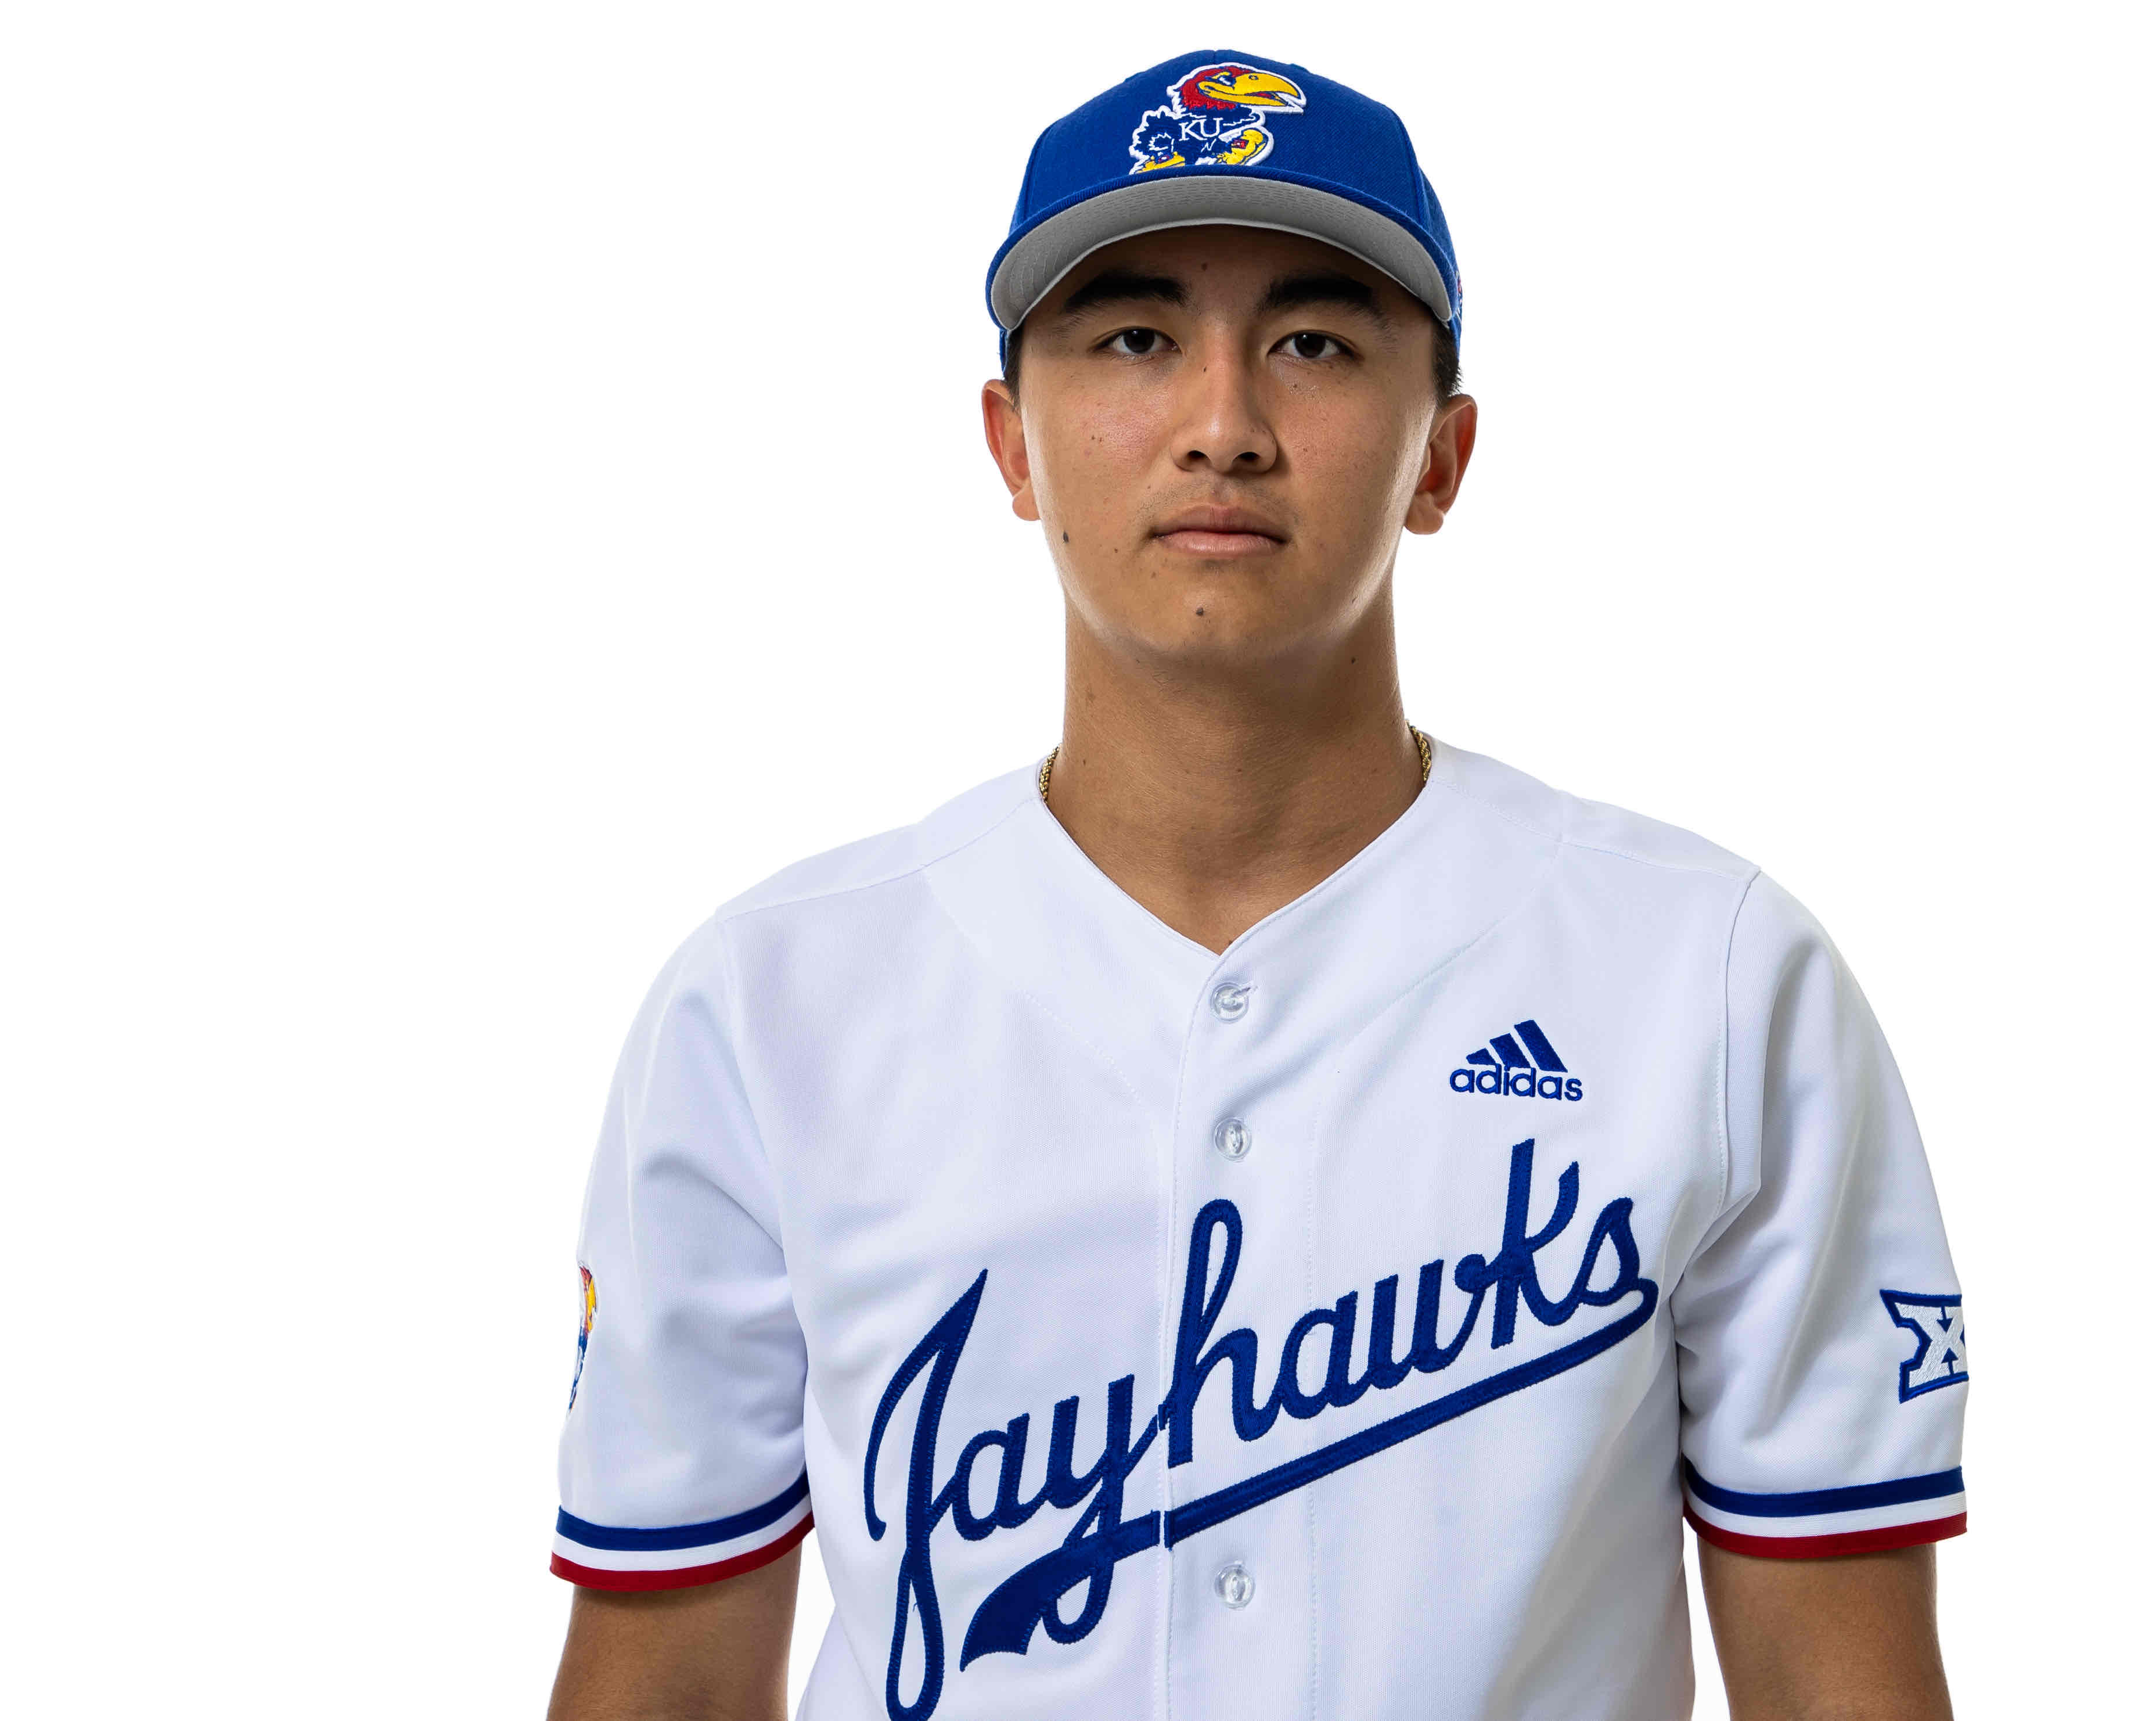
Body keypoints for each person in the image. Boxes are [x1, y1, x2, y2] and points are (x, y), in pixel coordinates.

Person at [546, 49, 1966, 1721]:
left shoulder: (1710, 980)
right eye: (1134, 339)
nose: (1222, 426)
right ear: (1011, 444)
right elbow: (664, 1682)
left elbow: (1839, 1683)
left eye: (1312, 344)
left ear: (1441, 457)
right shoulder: (769, 1002)